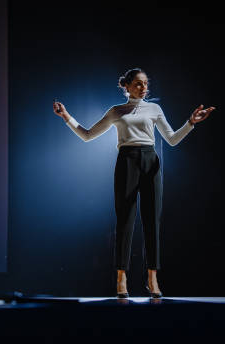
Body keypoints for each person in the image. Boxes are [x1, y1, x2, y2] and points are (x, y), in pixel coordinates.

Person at [52, 68, 215, 298]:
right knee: (125, 220)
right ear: (126, 86)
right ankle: (121, 277)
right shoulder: (116, 111)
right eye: (138, 84)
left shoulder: (155, 109)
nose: (143, 88)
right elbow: (87, 135)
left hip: (151, 162)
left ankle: (152, 277)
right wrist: (66, 116)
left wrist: (191, 122)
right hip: (127, 161)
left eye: (146, 84)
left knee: (152, 221)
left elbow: (172, 140)